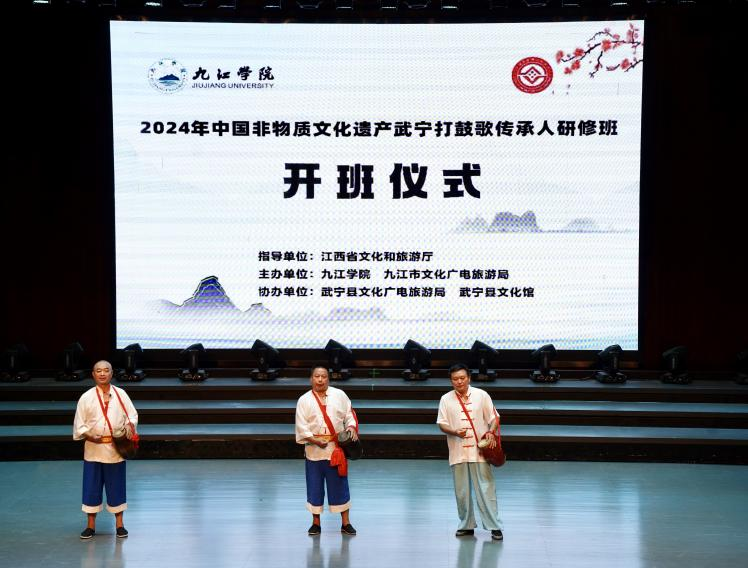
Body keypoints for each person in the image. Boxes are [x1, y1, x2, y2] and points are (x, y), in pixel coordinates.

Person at [437, 362, 503, 541]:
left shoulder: (482, 395)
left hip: (480, 451)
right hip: (457, 451)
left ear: (469, 378)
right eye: (455, 379)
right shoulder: (445, 399)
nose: (459, 382)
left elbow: (494, 418)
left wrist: (490, 432)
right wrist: (454, 431)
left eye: (462, 378)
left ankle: (494, 526)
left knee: (486, 488)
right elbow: (441, 423)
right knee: (462, 491)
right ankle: (466, 525)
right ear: (451, 381)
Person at [73, 360, 138, 539]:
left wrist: (128, 427)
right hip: (93, 449)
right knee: (91, 487)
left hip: (115, 449)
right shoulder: (86, 397)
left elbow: (132, 415)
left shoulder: (121, 394)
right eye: (99, 371)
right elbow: (79, 424)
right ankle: (90, 526)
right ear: (93, 374)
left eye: (106, 370)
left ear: (112, 373)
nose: (102, 374)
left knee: (117, 486)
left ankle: (120, 525)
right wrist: (89, 435)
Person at [295, 366, 358, 536]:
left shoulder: (340, 395)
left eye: (323, 376)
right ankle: (316, 523)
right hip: (313, 451)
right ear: (311, 379)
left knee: (340, 485)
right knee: (314, 487)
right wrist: (314, 440)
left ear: (328, 379)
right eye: (317, 376)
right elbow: (301, 426)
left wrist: (351, 427)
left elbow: (350, 414)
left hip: (335, 450)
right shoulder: (304, 400)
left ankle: (346, 523)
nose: (320, 379)